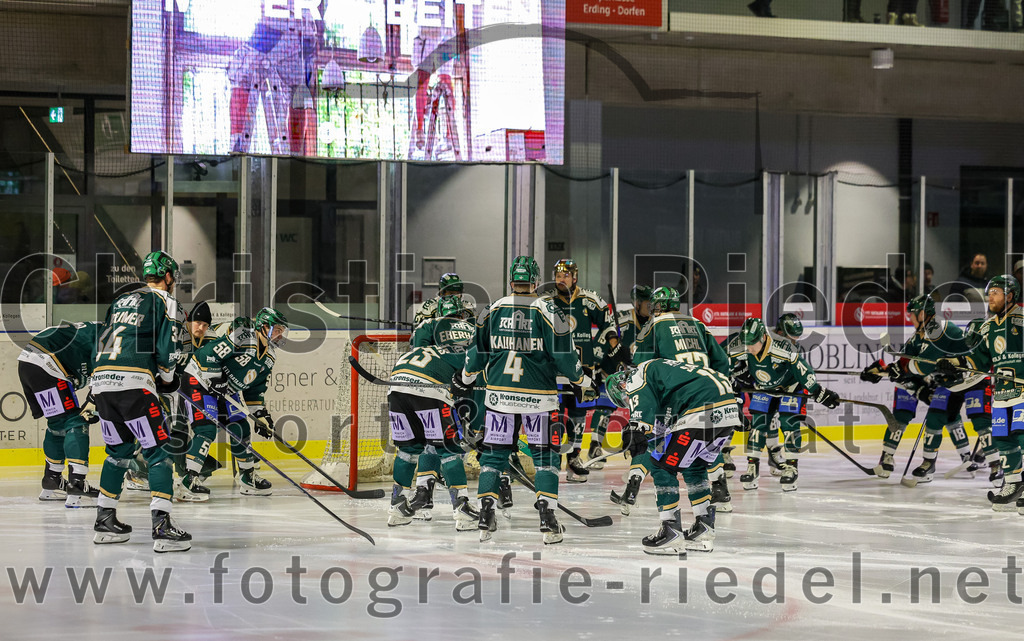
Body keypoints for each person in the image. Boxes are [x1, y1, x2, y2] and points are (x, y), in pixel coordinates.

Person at [454, 255, 593, 544]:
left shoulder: (492, 308)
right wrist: (582, 381)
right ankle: (547, 518)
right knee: (545, 457)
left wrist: (465, 378)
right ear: (534, 280)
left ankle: (485, 515)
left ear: (510, 281)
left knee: (493, 456)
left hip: (500, 399)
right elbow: (565, 355)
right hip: (539, 399)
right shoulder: (549, 309)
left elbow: (477, 353)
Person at [90, 250, 191, 552]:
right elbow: (168, 347)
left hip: (102, 382)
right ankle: (161, 526)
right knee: (159, 452)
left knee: (118, 452)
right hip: (134, 384)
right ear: (169, 276)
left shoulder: (119, 300)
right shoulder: (166, 300)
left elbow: (106, 338)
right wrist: (170, 382)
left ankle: (105, 520)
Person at [615, 286, 732, 514]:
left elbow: (643, 368)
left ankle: (637, 488)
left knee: (656, 446)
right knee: (702, 445)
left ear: (656, 306)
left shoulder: (653, 325)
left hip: (675, 394)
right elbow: (723, 363)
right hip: (709, 392)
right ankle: (720, 489)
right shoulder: (698, 324)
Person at [606, 361, 740, 555]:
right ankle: (704, 527)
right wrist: (645, 437)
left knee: (661, 465)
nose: (629, 401)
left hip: (700, 407)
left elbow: (642, 409)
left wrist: (636, 426)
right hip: (727, 409)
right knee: (695, 465)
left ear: (622, 385)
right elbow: (662, 435)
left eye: (626, 398)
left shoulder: (638, 374)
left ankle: (671, 531)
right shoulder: (667, 379)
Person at [860, 295, 982, 485]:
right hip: (947, 382)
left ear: (923, 313)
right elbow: (904, 362)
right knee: (932, 411)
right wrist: (881, 370)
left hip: (968, 379)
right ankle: (894, 460)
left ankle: (948, 460)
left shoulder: (939, 328)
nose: (909, 318)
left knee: (940, 414)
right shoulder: (918, 335)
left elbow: (923, 366)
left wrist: (900, 371)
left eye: (912, 314)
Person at [386, 296, 479, 531]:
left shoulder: (428, 334)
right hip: (428, 389)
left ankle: (397, 508)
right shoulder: (471, 337)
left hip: (396, 384)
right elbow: (472, 375)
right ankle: (462, 509)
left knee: (407, 450)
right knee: (448, 449)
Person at [177, 307, 288, 500]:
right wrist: (213, 376)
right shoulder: (243, 337)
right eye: (276, 329)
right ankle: (189, 480)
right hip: (199, 380)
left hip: (225, 389)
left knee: (241, 427)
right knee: (206, 430)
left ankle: (247, 477)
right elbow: (208, 353)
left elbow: (255, 388)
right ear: (263, 326)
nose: (279, 335)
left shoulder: (270, 357)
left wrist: (260, 413)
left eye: (281, 331)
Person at [939, 275, 1024, 511]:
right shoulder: (988, 327)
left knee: (1023, 436)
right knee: (1003, 439)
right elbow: (978, 360)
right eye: (990, 293)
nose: (991, 297)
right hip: (1002, 393)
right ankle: (1014, 484)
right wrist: (954, 362)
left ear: (1010, 295)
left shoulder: (1022, 320)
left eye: (996, 292)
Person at [735, 317, 840, 492]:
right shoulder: (742, 346)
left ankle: (791, 468)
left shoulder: (783, 347)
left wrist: (818, 391)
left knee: (789, 423)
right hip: (763, 387)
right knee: (758, 424)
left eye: (752, 344)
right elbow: (725, 363)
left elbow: (803, 370)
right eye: (747, 344)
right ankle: (752, 467)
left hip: (791, 388)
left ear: (762, 338)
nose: (749, 348)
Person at [125, 300, 215, 493]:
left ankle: (186, 470)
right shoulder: (176, 336)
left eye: (205, 325)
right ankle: (136, 471)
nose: (201, 328)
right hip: (161, 388)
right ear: (189, 321)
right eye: (198, 323)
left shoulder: (208, 340)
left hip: (184, 393)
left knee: (180, 429)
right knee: (162, 429)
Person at [543, 258, 616, 482]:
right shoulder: (545, 302)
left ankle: (574, 459)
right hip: (552, 370)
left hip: (582, 369)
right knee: (553, 414)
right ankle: (552, 460)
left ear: (575, 277)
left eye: (565, 275)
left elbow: (610, 328)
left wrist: (599, 352)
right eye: (557, 276)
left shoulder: (590, 299)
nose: (561, 279)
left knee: (577, 416)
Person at [17, 321, 102, 507]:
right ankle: (77, 482)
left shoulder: (102, 329)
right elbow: (105, 371)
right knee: (77, 422)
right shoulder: (114, 335)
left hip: (28, 362)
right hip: (48, 362)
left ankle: (52, 480)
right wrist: (95, 400)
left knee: (57, 423)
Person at [591, 284, 652, 470]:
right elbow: (602, 340)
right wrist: (611, 351)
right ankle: (595, 446)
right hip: (612, 371)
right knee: (604, 408)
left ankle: (641, 446)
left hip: (636, 374)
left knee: (642, 410)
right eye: (648, 304)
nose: (651, 307)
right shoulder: (623, 320)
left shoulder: (654, 323)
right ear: (637, 303)